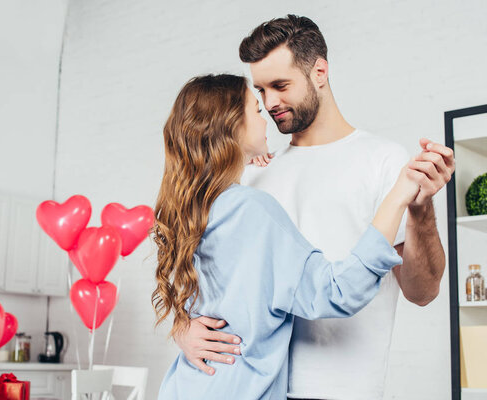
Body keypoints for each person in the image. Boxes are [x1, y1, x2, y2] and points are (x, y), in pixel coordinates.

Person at [174, 16, 455, 400]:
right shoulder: (253, 177)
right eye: (260, 90)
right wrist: (182, 329)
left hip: (344, 391)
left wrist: (420, 210)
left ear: (319, 71)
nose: (270, 102)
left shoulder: (385, 161)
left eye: (280, 85)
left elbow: (422, 292)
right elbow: (201, 281)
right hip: (258, 388)